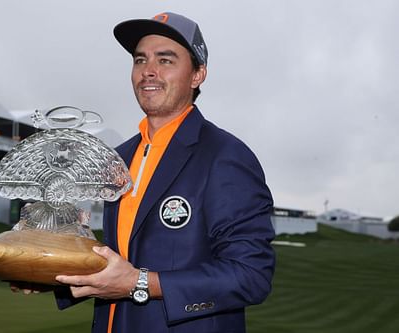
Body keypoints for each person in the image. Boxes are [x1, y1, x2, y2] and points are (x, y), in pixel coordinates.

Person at [14, 11, 275, 333]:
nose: (148, 72)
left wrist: (140, 282)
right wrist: (53, 276)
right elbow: (120, 264)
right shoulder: (120, 157)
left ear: (198, 75)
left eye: (165, 60)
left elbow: (251, 276)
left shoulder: (224, 155)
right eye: (140, 60)